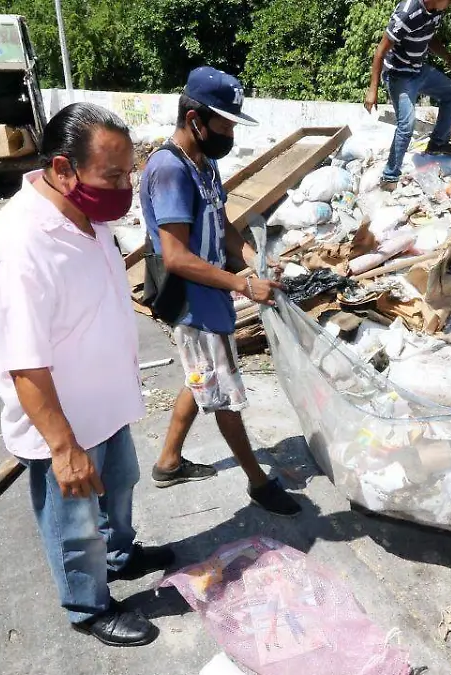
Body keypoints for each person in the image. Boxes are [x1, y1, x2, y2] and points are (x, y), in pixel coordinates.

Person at [0, 102, 173, 647]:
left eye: (128, 172)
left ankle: (121, 556)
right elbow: (25, 362)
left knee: (121, 488)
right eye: (113, 175)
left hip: (107, 405)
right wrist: (63, 448)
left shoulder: (87, 217)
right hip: (66, 423)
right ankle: (88, 606)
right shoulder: (18, 246)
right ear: (62, 169)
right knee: (75, 524)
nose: (124, 187)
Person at [139, 66, 301, 517]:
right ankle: (257, 481)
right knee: (224, 391)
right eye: (225, 124)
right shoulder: (169, 170)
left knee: (201, 376)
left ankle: (168, 462)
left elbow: (221, 223)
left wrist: (252, 257)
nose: (229, 132)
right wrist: (243, 284)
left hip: (211, 293)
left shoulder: (204, 163)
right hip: (194, 301)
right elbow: (174, 255)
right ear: (195, 120)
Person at [364, 0, 451, 190]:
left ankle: (437, 144)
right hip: (398, 75)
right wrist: (373, 90)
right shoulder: (407, 12)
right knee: (406, 124)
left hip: (418, 71)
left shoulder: (436, 10)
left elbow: (429, 38)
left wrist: (450, 59)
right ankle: (390, 176)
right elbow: (380, 51)